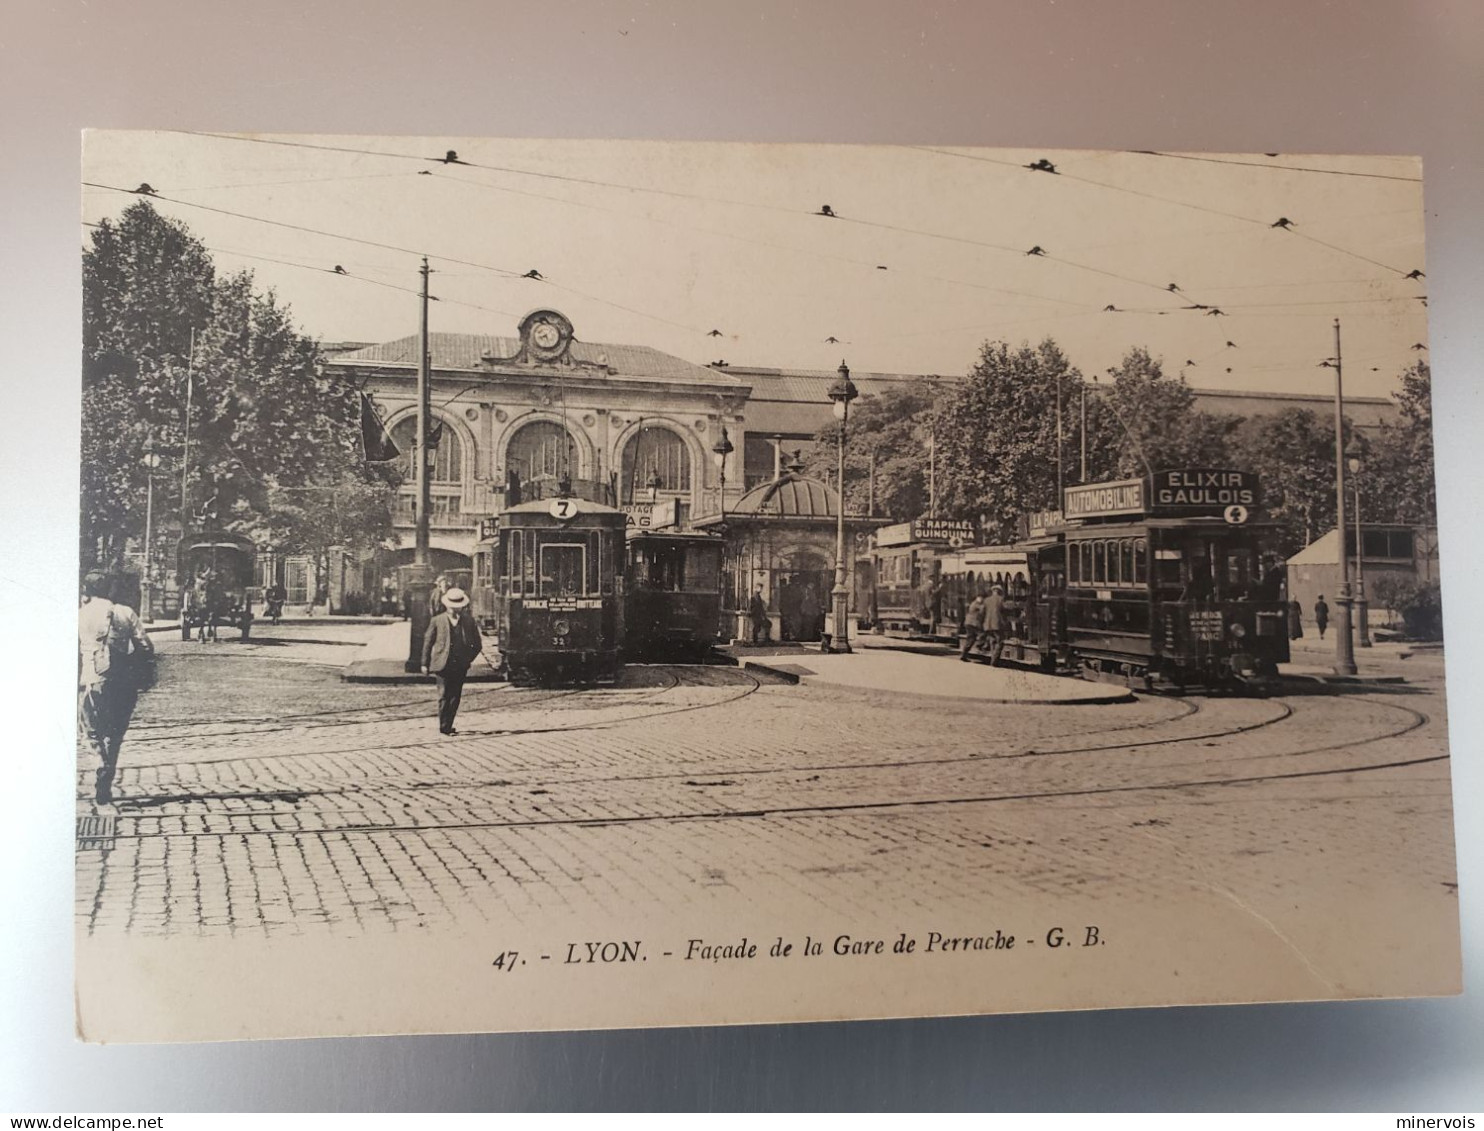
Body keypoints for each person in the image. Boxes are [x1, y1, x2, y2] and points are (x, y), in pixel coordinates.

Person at [78, 572, 153, 806]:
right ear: (111, 589)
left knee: (90, 730)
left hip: (91, 679)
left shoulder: (79, 613)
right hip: (122, 681)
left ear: (86, 590)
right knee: (115, 733)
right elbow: (145, 646)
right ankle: (108, 777)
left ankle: (99, 763)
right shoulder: (124, 611)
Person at [421, 587, 484, 735]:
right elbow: (427, 642)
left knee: (455, 696)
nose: (455, 609)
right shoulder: (437, 620)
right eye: (452, 606)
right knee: (443, 695)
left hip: (460, 665)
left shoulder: (469, 621)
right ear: (447, 605)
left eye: (458, 606)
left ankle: (448, 725)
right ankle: (443, 726)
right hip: (442, 664)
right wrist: (424, 663)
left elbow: (477, 644)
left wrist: (468, 659)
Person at [982, 584, 1008, 667]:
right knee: (999, 642)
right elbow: (1005, 609)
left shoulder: (986, 600)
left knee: (992, 642)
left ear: (993, 591)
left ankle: (993, 659)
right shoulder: (1000, 599)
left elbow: (982, 611)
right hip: (997, 624)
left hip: (988, 625)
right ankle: (994, 661)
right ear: (999, 591)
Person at [960, 589, 987, 661]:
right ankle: (979, 647)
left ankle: (963, 655)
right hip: (973, 623)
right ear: (978, 597)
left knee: (970, 639)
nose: (982, 599)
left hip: (968, 623)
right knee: (983, 634)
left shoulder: (973, 603)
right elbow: (982, 610)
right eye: (981, 598)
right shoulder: (977, 604)